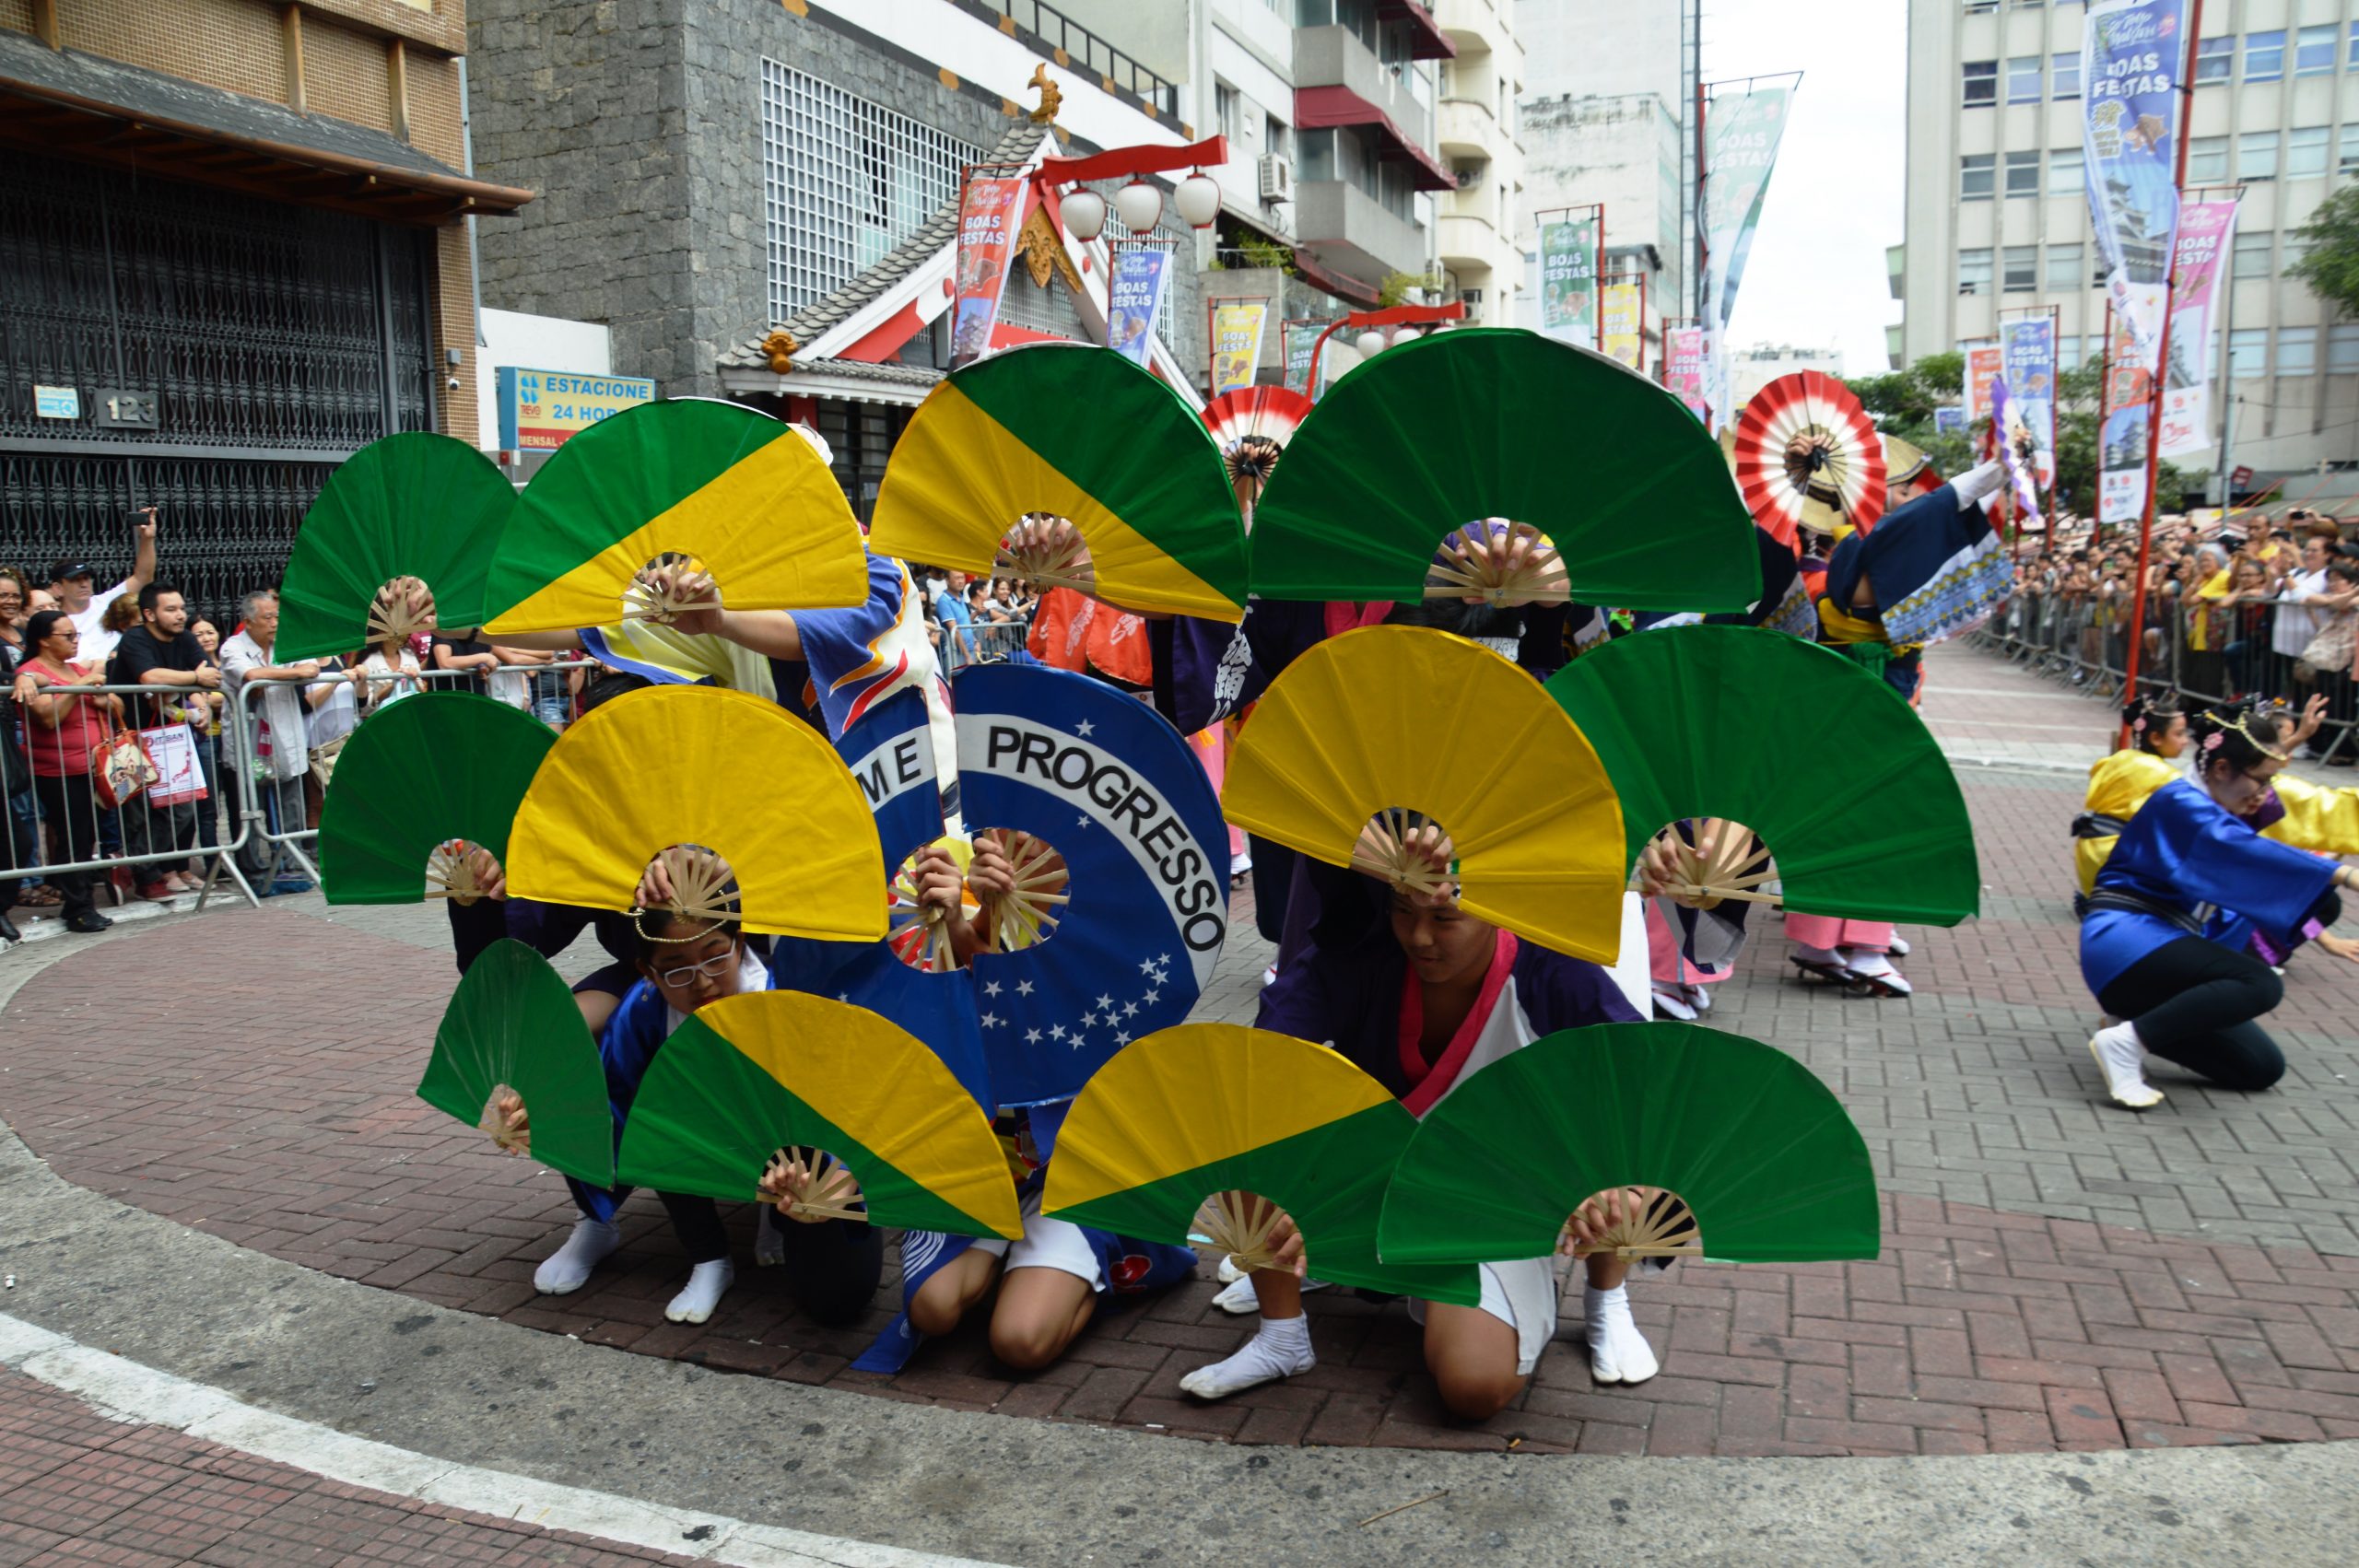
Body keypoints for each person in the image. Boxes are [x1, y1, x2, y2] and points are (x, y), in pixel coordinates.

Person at [1180, 825, 1656, 1416]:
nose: (1421, 937)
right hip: (1377, 1178)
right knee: (1258, 1125)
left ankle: (1606, 1302)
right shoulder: (1362, 957)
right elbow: (1263, 1057)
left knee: (1474, 1388)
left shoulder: (1549, 969)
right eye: (1403, 910)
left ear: (1497, 910)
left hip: (1491, 1199)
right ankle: (1283, 1337)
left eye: (1447, 918)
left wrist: (1626, 1185)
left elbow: (1641, 1079)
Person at [875, 836, 1198, 1375]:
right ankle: (1013, 1263)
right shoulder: (964, 914)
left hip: (1077, 1168)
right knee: (932, 1312)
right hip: (985, 1163)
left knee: (1019, 1343)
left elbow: (1033, 1024)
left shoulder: (1110, 929)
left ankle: (1069, 1283)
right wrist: (956, 919)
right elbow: (939, 1022)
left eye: (1031, 837)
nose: (1011, 849)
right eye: (998, 834)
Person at [504, 877, 883, 1328]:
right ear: (648, 973)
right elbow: (621, 1103)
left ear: (740, 944)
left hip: (783, 1136)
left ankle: (775, 1219)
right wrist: (551, 1122)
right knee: (604, 1106)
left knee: (831, 1283)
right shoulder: (642, 1012)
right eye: (677, 969)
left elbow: (830, 1106)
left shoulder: (786, 996)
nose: (703, 982)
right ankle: (707, 1259)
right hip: (693, 1131)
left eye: (716, 956)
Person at [2080, 706, 2355, 1109]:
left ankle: (2130, 1022)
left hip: (2161, 945)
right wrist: (2345, 874)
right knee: (2259, 983)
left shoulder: (2218, 800)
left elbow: (2280, 830)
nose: (2264, 794)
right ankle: (2126, 1042)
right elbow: (2248, 850)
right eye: (2260, 781)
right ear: (2222, 769)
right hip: (2124, 938)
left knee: (2259, 1068)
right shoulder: (2181, 801)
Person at [105, 583, 220, 898]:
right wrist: (194, 679)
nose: (180, 615)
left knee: (182, 809)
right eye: (170, 609)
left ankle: (128, 862)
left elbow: (209, 674)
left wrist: (199, 701)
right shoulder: (135, 638)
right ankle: (144, 876)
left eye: (182, 608)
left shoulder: (184, 638)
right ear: (148, 614)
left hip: (171, 737)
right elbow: (149, 677)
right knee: (139, 811)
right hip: (132, 739)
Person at [12, 610, 123, 934]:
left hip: (94, 766)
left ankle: (82, 902)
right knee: (72, 838)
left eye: (77, 635)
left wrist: (105, 699)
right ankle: (78, 908)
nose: (76, 641)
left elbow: (119, 705)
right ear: (44, 640)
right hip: (57, 769)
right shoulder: (31, 673)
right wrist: (80, 687)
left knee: (86, 836)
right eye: (68, 636)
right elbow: (47, 719)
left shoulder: (75, 669)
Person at [217, 591, 319, 891]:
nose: (275, 622)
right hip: (249, 738)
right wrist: (290, 673)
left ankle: (291, 863)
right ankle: (254, 870)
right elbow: (250, 675)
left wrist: (280, 674)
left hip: (284, 735)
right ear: (248, 621)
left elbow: (310, 668)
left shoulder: (286, 643)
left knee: (291, 803)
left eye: (277, 616)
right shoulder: (232, 647)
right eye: (267, 617)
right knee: (251, 805)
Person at [2073, 697, 2189, 905]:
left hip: (2088, 847)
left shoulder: (2119, 758)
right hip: (2117, 854)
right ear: (2155, 737)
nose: (2185, 741)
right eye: (2179, 734)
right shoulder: (2165, 775)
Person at [46, 512, 158, 668]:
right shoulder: (53, 621)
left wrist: (147, 539)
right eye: (75, 580)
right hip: (79, 681)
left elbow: (142, 577)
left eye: (86, 578)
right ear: (58, 588)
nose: (84, 584)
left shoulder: (105, 601)